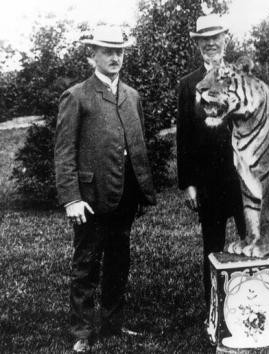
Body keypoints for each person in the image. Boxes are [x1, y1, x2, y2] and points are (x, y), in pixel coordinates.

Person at [54, 25, 156, 353]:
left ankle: (113, 322)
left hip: (124, 194)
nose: (115, 57)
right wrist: (72, 197)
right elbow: (64, 151)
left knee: (118, 259)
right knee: (86, 263)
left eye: (120, 51)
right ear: (91, 56)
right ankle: (81, 330)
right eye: (107, 51)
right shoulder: (77, 96)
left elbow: (137, 147)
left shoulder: (132, 96)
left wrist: (141, 190)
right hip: (90, 197)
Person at [176, 14, 246, 308]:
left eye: (215, 38)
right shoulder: (188, 84)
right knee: (213, 247)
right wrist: (188, 183)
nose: (211, 44)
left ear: (225, 41)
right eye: (205, 40)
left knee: (252, 242)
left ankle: (255, 303)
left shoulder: (241, 77)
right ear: (198, 44)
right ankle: (215, 310)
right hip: (208, 181)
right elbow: (184, 136)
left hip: (244, 179)